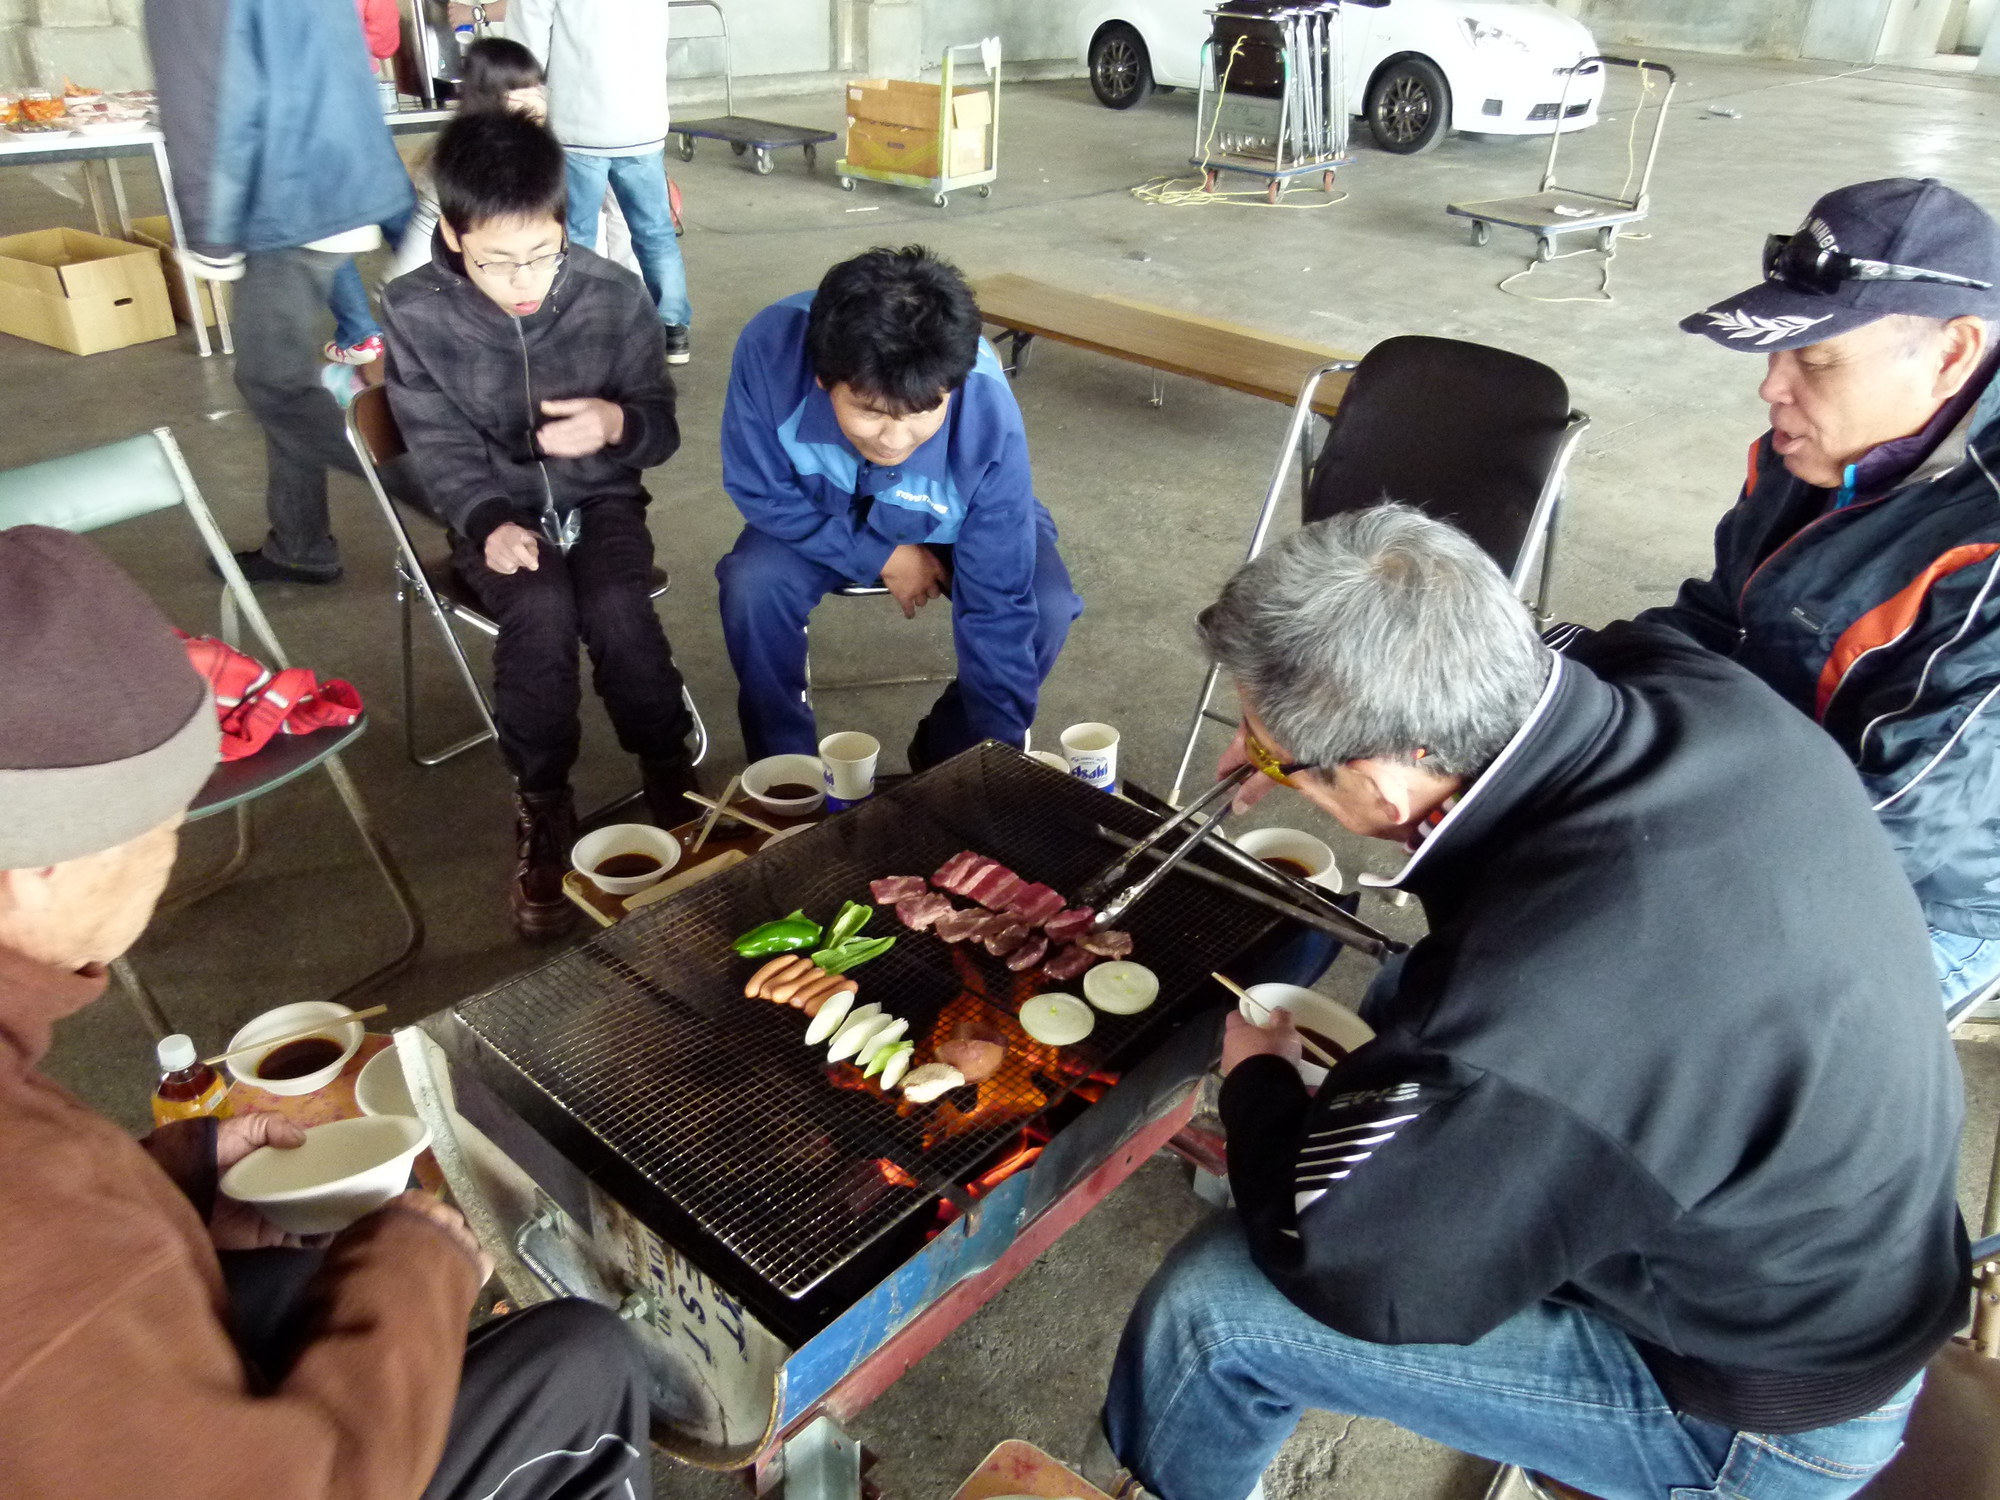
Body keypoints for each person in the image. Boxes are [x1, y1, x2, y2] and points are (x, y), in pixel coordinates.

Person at [1096, 507, 1967, 1500]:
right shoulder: (1682, 684)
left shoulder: (1535, 1012)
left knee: (1211, 1314)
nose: (1254, 763)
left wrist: (1257, 1085)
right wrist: (1286, 749)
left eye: (1265, 752)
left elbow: (1356, 1271)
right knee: (1404, 1003)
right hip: (1833, 1226)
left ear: (1383, 786)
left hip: (1758, 1400)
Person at [0, 524, 651, 1499]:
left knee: (294, 1277)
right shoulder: (33, 1202)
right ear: (42, 863)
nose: (169, 853)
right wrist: (418, 1267)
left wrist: (166, 1190)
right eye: (166, 824)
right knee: (581, 1362)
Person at [1638, 177, 2000, 1022]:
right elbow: (1716, 621)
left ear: (1953, 354)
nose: (1773, 388)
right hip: (1769, 775)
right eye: (1779, 352)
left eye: (1816, 360)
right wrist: (1546, 699)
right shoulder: (1813, 449)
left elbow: (1896, 825)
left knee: (1663, 1030)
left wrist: (1632, 833)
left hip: (1926, 895)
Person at [382, 109, 698, 942]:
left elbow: (660, 430)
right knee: (542, 608)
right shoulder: (415, 311)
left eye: (542, 252)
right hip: (493, 513)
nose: (522, 280)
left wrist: (616, 425)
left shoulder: (613, 294)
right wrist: (487, 520)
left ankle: (668, 768)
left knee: (618, 607)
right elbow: (436, 445)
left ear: (566, 221)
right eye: (495, 260)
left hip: (602, 502)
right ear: (453, 235)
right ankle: (543, 800)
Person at [717, 246, 1082, 770]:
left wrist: (996, 760)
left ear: (952, 388)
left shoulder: (986, 409)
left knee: (1042, 608)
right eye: (869, 411)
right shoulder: (770, 347)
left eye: (922, 412)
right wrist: (883, 555)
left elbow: (1000, 601)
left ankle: (953, 758)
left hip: (958, 521)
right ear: (823, 377)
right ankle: (784, 771)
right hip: (819, 509)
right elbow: (760, 489)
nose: (893, 440)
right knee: (753, 585)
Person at [146, 0, 419, 585]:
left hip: (283, 189)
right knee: (287, 379)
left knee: (275, 388)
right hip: (339, 166)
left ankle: (473, 508)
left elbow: (204, 98)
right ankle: (299, 542)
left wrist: (210, 235)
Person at [510, 0, 694, 363]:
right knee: (655, 233)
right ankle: (673, 329)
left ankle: (580, 326)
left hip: (580, 127)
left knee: (576, 236)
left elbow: (526, 43)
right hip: (643, 124)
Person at [322, 0, 409, 366]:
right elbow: (385, 40)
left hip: (298, 95)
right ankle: (447, 302)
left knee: (325, 218)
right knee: (394, 202)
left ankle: (360, 335)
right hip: (357, 88)